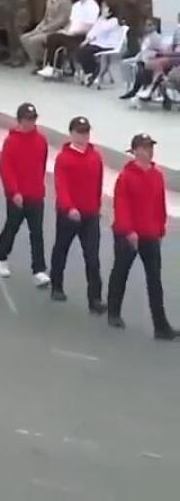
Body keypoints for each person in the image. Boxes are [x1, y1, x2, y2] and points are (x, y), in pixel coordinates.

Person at [107, 134, 175, 340]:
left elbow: (159, 204)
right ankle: (113, 311)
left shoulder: (157, 175)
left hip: (150, 235)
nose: (149, 151)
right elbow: (121, 206)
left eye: (150, 147)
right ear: (135, 150)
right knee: (120, 272)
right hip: (128, 235)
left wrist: (161, 228)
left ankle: (161, 325)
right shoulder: (126, 177)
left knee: (154, 280)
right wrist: (129, 231)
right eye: (144, 148)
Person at [50, 117, 107, 313]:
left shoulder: (95, 157)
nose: (83, 136)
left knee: (92, 257)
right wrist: (69, 207)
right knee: (61, 249)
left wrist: (97, 206)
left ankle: (95, 298)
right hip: (69, 214)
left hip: (90, 215)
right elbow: (61, 185)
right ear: (72, 133)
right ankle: (57, 285)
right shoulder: (64, 158)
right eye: (80, 132)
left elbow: (98, 184)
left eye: (86, 132)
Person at [0, 103, 50, 284]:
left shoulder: (41, 140)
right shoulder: (12, 141)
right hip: (17, 196)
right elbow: (6, 169)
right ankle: (1, 256)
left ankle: (39, 269)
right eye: (27, 119)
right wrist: (14, 192)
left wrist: (39, 188)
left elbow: (41, 165)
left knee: (37, 233)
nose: (30, 123)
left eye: (33, 119)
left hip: (35, 194)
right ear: (20, 121)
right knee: (12, 227)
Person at [39, 0, 100, 77]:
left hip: (82, 36)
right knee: (52, 37)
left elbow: (89, 27)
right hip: (70, 33)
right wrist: (65, 31)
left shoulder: (93, 6)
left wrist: (73, 32)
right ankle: (52, 67)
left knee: (60, 40)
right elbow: (70, 23)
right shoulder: (76, 6)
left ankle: (57, 67)